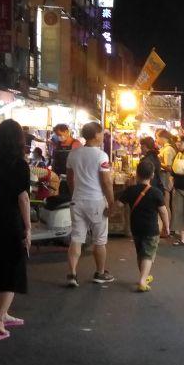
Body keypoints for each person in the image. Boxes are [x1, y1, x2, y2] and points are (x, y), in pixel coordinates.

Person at [0, 117, 31, 340]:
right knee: (12, 270)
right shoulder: (20, 165)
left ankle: (3, 313)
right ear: (19, 140)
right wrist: (28, 227)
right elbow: (23, 199)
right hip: (11, 221)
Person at [64, 121, 116, 287]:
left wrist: (74, 193)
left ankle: (72, 274)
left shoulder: (73, 154)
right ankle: (100, 273)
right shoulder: (101, 156)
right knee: (99, 240)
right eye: (101, 134)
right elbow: (106, 182)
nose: (103, 137)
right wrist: (112, 202)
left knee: (76, 238)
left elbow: (69, 178)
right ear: (95, 135)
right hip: (96, 202)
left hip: (77, 201)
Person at [119, 157, 169, 291]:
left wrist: (107, 213)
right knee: (148, 254)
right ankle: (142, 280)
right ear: (152, 175)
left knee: (140, 253)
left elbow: (118, 204)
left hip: (135, 228)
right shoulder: (156, 192)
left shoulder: (130, 190)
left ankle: (143, 275)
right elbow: (163, 212)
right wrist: (167, 227)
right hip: (151, 229)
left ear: (137, 173)